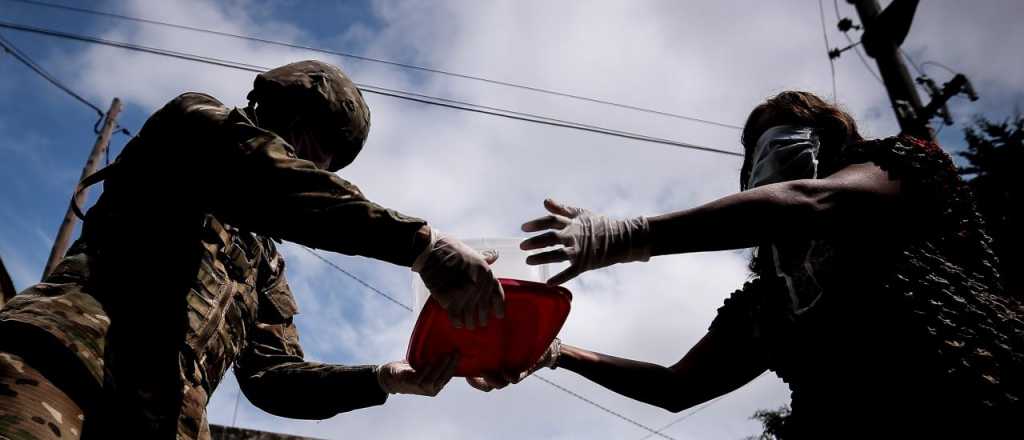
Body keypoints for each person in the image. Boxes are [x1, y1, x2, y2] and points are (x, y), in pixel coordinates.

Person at [469, 91, 1023, 437]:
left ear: (836, 145)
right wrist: (559, 353)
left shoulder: (902, 173)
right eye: (758, 148)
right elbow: (674, 387)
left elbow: (814, 201)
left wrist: (629, 235)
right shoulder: (769, 305)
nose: (772, 156)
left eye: (788, 134)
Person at [0, 60, 504, 439]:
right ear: (276, 109)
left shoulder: (260, 262)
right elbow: (269, 179)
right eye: (309, 140)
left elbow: (271, 380)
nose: (316, 164)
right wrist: (423, 245)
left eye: (329, 161)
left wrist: (381, 380)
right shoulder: (195, 126)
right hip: (57, 370)